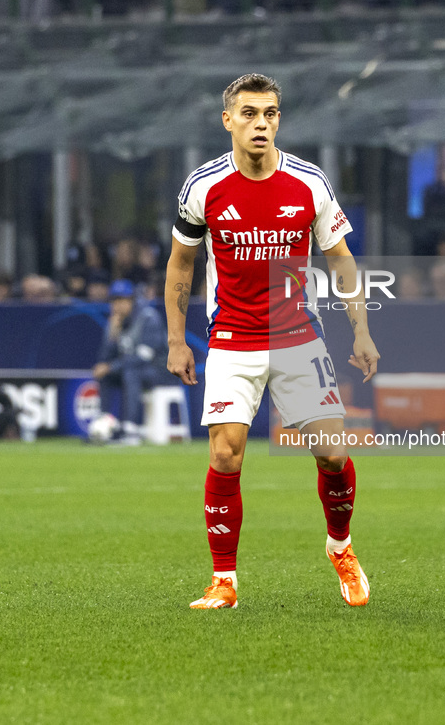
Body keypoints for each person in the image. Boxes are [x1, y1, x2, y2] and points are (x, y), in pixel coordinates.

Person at [165, 73, 380, 610]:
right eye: (250, 113)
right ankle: (224, 582)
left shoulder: (309, 182)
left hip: (298, 338)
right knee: (226, 454)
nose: (261, 123)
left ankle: (341, 547)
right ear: (228, 120)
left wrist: (361, 329)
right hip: (233, 340)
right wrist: (176, 338)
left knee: (332, 454)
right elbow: (180, 263)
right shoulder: (203, 187)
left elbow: (341, 259)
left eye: (271, 113)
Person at [92, 279, 168, 444]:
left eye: (122, 300)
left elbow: (144, 356)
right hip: (132, 369)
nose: (117, 305)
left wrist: (112, 366)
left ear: (132, 301)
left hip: (159, 371)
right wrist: (112, 335)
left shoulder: (148, 318)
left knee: (130, 372)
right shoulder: (115, 322)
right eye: (114, 301)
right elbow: (105, 359)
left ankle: (131, 430)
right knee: (106, 375)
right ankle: (105, 426)